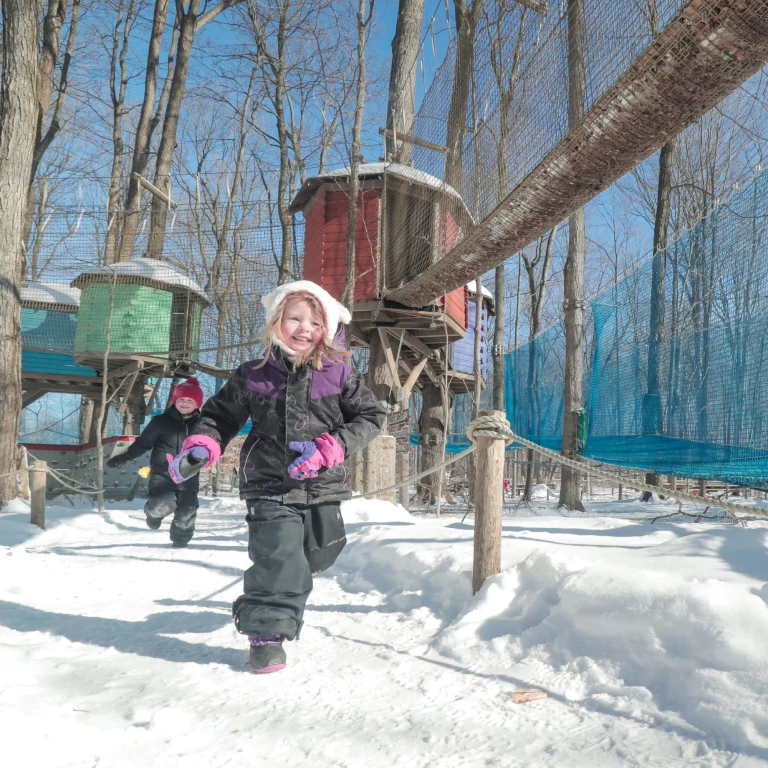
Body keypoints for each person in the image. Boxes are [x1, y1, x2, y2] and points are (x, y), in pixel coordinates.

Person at [166, 281, 386, 673]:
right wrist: (204, 442)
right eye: (294, 318)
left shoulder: (339, 374)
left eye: (315, 323)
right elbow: (219, 416)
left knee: (317, 553)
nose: (304, 329)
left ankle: (287, 585)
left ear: (328, 329)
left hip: (322, 485)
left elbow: (372, 417)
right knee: (279, 555)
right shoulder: (254, 375)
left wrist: (332, 447)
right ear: (275, 322)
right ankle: (266, 634)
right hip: (269, 482)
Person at [107, 377, 205, 548]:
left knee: (187, 509)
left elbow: (212, 446)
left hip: (189, 474)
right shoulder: (160, 422)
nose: (185, 403)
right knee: (163, 503)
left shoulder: (203, 425)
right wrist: (123, 458)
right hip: (163, 473)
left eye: (190, 400)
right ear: (175, 401)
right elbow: (143, 443)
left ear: (197, 404)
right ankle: (152, 513)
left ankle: (181, 540)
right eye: (181, 399)